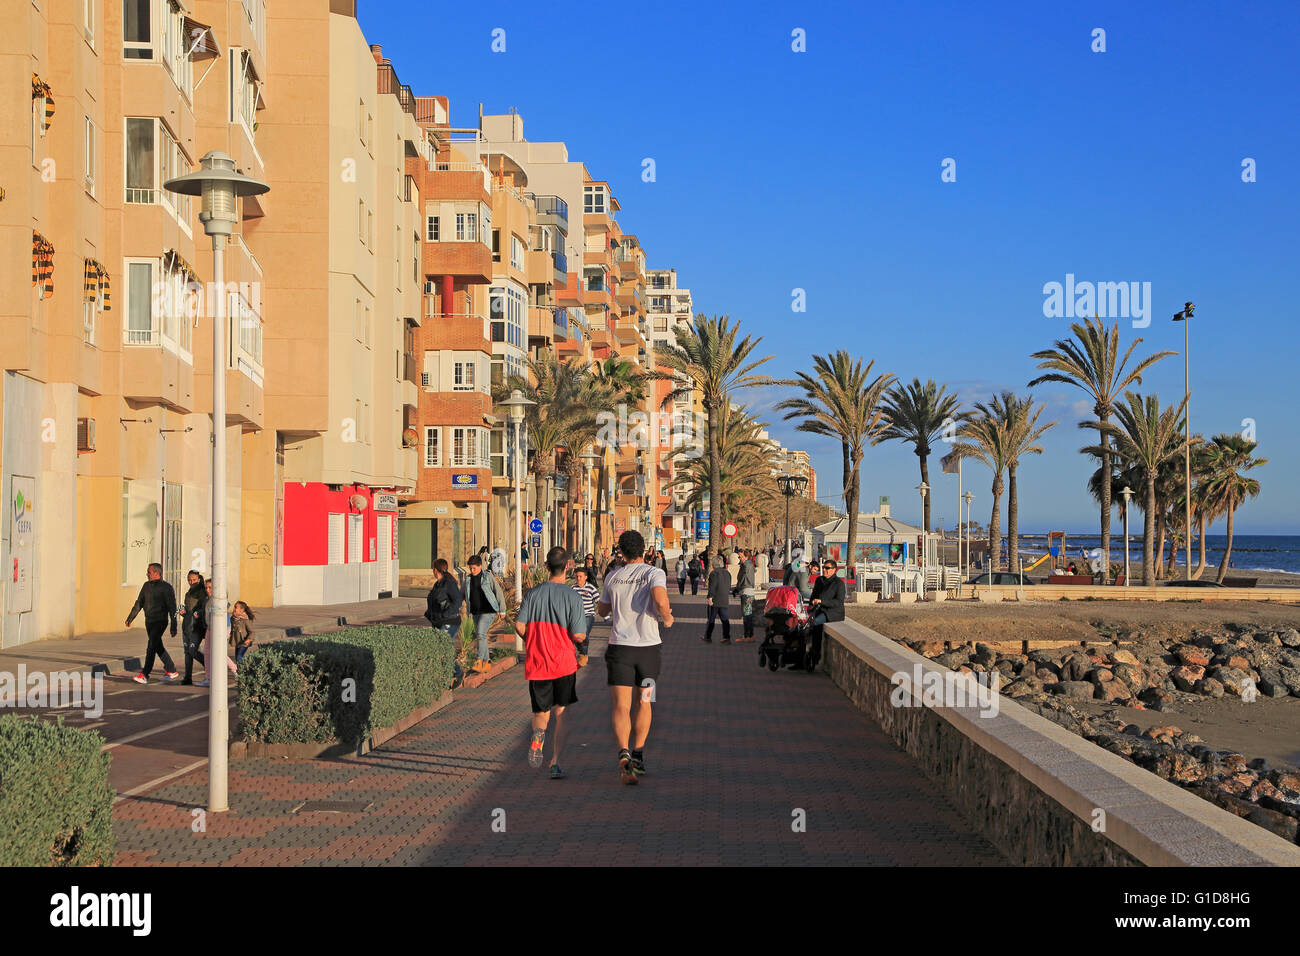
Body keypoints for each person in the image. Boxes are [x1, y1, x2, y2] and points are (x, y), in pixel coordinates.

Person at [598, 530, 672, 785]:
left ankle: (624, 753)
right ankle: (638, 754)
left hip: (620, 648)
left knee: (621, 705)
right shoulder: (654, 573)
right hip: (649, 649)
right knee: (645, 701)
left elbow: (602, 609)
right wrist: (668, 617)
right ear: (643, 550)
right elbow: (661, 601)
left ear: (622, 551)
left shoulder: (612, 576)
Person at [515, 547, 587, 779]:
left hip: (537, 662)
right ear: (568, 567)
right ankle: (555, 761)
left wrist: (531, 640)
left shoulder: (532, 594)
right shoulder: (572, 596)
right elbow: (579, 635)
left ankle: (538, 734)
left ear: (546, 567)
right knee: (562, 712)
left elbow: (519, 625)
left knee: (540, 710)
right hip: (564, 663)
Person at [127, 563, 179, 684]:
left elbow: (172, 608)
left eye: (149, 572)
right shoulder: (146, 586)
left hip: (160, 621)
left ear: (157, 573)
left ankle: (145, 674)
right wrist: (130, 618)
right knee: (157, 645)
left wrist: (174, 625)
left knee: (151, 646)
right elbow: (139, 602)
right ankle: (171, 669)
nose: (147, 574)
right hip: (149, 621)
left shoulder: (167, 587)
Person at [462, 554, 504, 674]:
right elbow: (462, 594)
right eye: (470, 568)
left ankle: (479, 660)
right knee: (482, 636)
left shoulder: (487, 576)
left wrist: (502, 610)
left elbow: (498, 591)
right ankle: (486, 663)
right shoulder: (468, 579)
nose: (472, 570)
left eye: (474, 568)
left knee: (480, 634)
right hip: (475, 612)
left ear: (480, 566)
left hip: (488, 610)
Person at [425, 558, 464, 687]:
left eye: (433, 569)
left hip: (450, 621)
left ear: (435, 570)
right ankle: (445, 674)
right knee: (439, 648)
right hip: (439, 622)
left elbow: (458, 600)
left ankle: (457, 672)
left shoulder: (448, 583)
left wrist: (446, 614)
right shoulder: (437, 584)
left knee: (442, 648)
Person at [196, 579, 238, 687]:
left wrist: (218, 605)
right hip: (210, 628)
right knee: (207, 651)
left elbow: (226, 604)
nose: (208, 590)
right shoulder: (208, 599)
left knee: (219, 652)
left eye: (210, 587)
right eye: (206, 587)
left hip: (222, 628)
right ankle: (209, 677)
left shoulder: (219, 599)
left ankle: (235, 670)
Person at [807, 559, 845, 669]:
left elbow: (838, 602)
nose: (824, 570)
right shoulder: (819, 580)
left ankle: (815, 654)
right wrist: (810, 606)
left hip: (831, 613)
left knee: (816, 623)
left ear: (834, 570)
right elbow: (813, 595)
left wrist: (822, 602)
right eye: (823, 567)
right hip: (818, 610)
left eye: (827, 568)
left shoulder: (839, 583)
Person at [180, 570, 207, 685]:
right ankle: (187, 677)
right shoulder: (189, 592)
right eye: (189, 580)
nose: (191, 582)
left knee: (192, 650)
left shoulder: (202, 592)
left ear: (199, 579)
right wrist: (184, 611)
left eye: (194, 580)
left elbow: (204, 607)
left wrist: (198, 613)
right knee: (187, 652)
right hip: (186, 624)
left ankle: (208, 664)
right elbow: (188, 608)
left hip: (196, 626)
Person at [571, 566, 599, 668]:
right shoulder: (573, 588)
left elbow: (598, 601)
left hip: (588, 615)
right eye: (577, 576)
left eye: (580, 576)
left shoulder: (591, 588)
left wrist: (606, 616)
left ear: (585, 577)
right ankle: (581, 650)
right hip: (576, 616)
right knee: (575, 636)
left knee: (584, 633)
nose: (578, 578)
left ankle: (583, 656)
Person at [703, 550, 733, 643]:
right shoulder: (727, 573)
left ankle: (708, 637)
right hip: (724, 599)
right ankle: (726, 637)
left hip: (715, 600)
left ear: (714, 564)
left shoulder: (714, 573)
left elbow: (712, 586)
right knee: (725, 619)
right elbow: (728, 586)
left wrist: (710, 597)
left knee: (711, 619)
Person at [734, 551, 757, 642]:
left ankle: (748, 635)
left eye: (741, 557)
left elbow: (743, 578)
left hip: (746, 591)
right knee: (748, 615)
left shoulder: (746, 566)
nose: (739, 559)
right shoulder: (749, 565)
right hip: (748, 591)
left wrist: (738, 587)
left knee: (747, 615)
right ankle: (749, 635)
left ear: (746, 557)